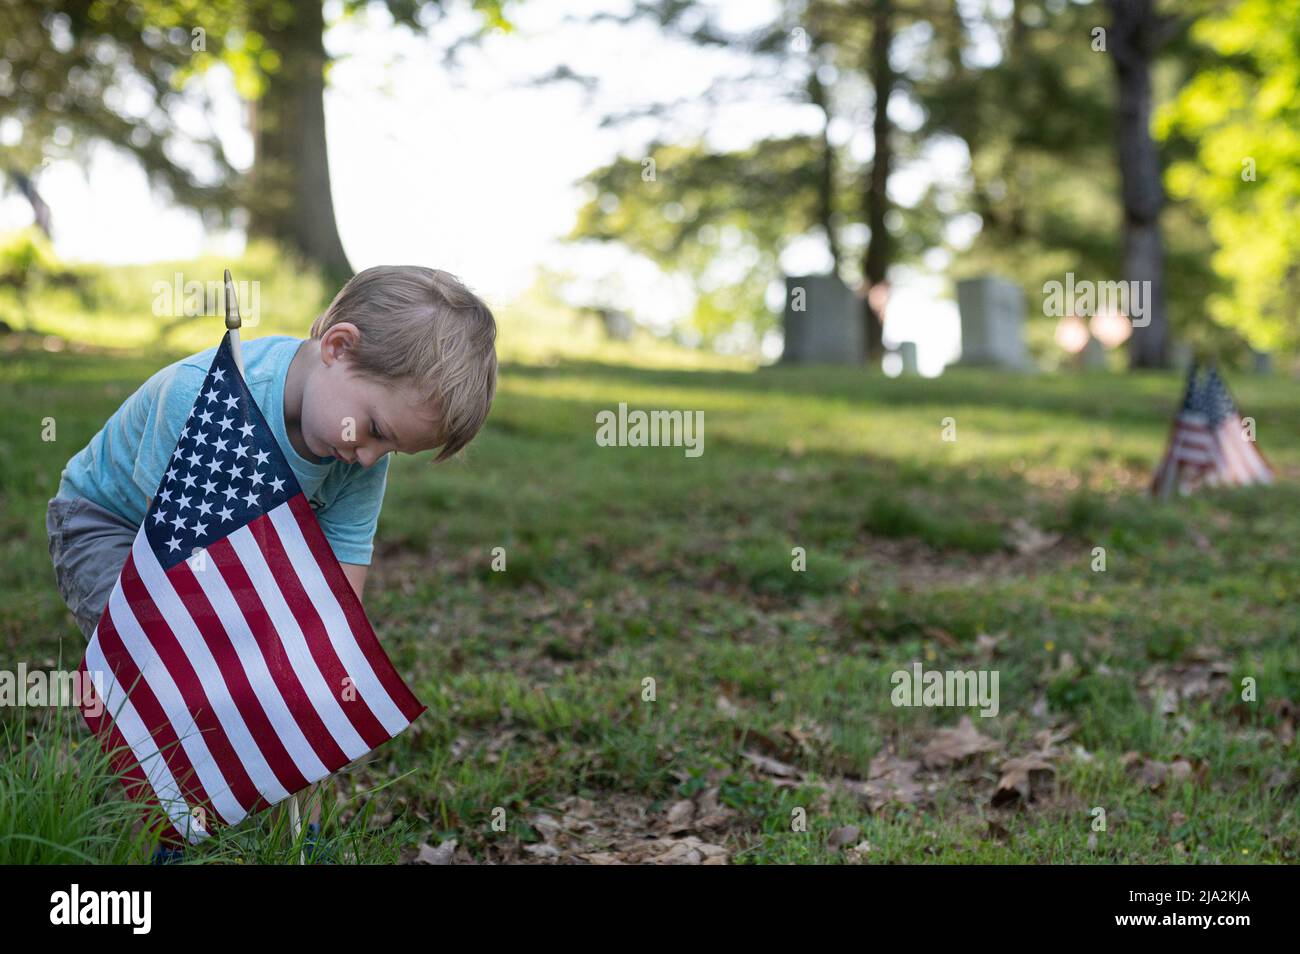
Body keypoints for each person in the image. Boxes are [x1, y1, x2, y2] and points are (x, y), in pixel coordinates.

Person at [44, 265, 498, 862]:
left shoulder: (358, 457)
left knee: (292, 679)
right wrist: (237, 656)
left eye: (392, 449)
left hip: (235, 554)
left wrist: (312, 682)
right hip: (115, 528)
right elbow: (169, 580)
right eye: (375, 431)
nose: (369, 458)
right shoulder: (200, 398)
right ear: (338, 347)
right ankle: (146, 832)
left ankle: (287, 838)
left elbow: (338, 606)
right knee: (161, 677)